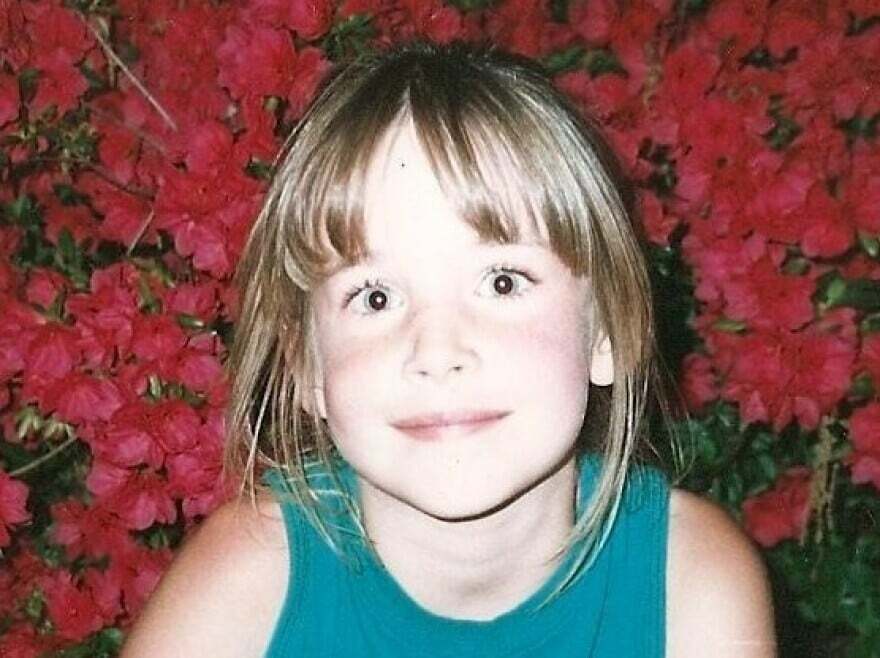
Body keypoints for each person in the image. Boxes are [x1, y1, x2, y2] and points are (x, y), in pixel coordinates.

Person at [120, 42, 775, 657]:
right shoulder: (246, 586)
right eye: (374, 297)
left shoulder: (688, 581)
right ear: (305, 364)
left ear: (607, 331)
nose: (436, 350)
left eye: (501, 281)